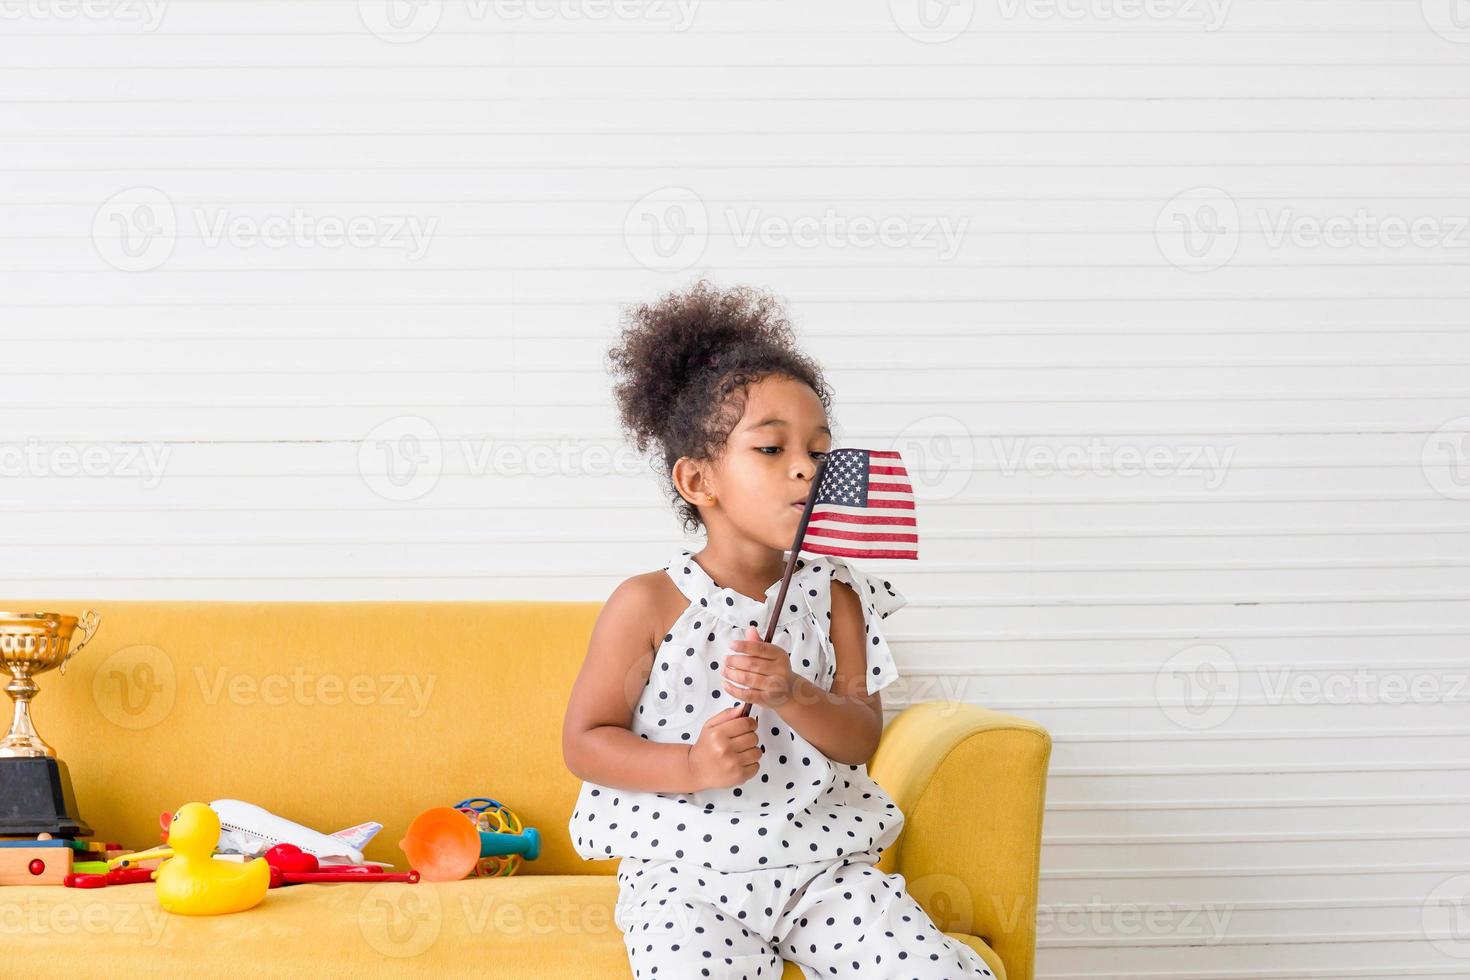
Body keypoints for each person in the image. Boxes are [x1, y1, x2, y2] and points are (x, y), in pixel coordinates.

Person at [562, 280, 994, 979]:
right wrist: (692, 767)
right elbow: (585, 742)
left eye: (819, 451)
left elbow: (860, 737)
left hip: (824, 870)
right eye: (771, 449)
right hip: (686, 874)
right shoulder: (648, 604)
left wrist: (793, 693)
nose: (805, 467)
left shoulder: (837, 598)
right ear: (699, 481)